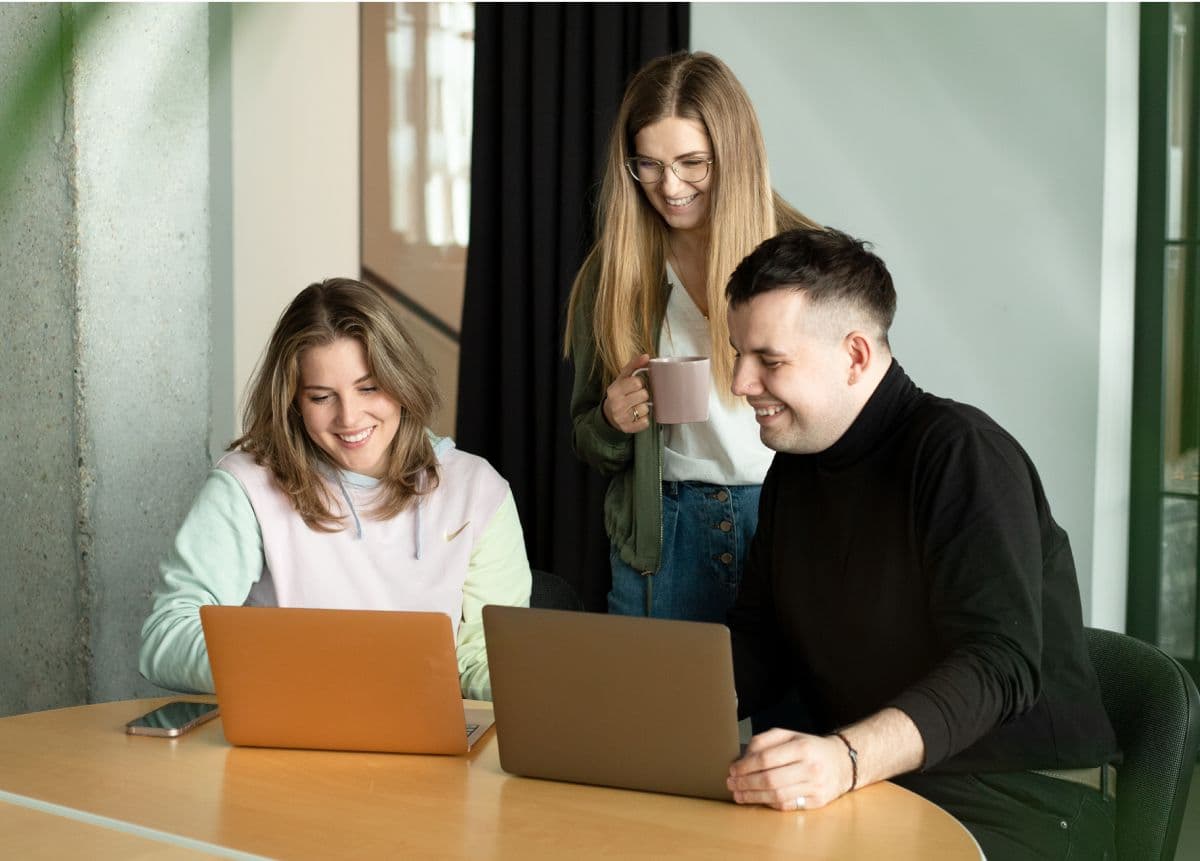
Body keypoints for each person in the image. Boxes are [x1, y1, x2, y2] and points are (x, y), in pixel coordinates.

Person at [722, 228, 1118, 860]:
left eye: (768, 361)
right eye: (738, 353)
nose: (741, 382)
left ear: (854, 355)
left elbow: (998, 665)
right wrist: (643, 716)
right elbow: (759, 644)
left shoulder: (962, 453)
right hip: (882, 787)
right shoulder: (795, 469)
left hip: (1022, 801)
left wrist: (845, 760)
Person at [140, 278, 531, 701]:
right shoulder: (246, 487)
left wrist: (545, 688)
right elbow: (168, 636)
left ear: (401, 381)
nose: (349, 418)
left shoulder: (478, 491)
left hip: (426, 746)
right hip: (286, 744)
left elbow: (480, 662)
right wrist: (301, 663)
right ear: (293, 401)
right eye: (322, 397)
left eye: (369, 388)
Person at [563, 51, 819, 621]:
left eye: (692, 162)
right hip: (665, 532)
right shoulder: (616, 273)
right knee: (654, 710)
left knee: (794, 712)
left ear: (734, 154)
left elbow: (857, 409)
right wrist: (611, 421)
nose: (669, 186)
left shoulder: (807, 257)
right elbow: (587, 435)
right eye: (648, 165)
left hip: (789, 518)